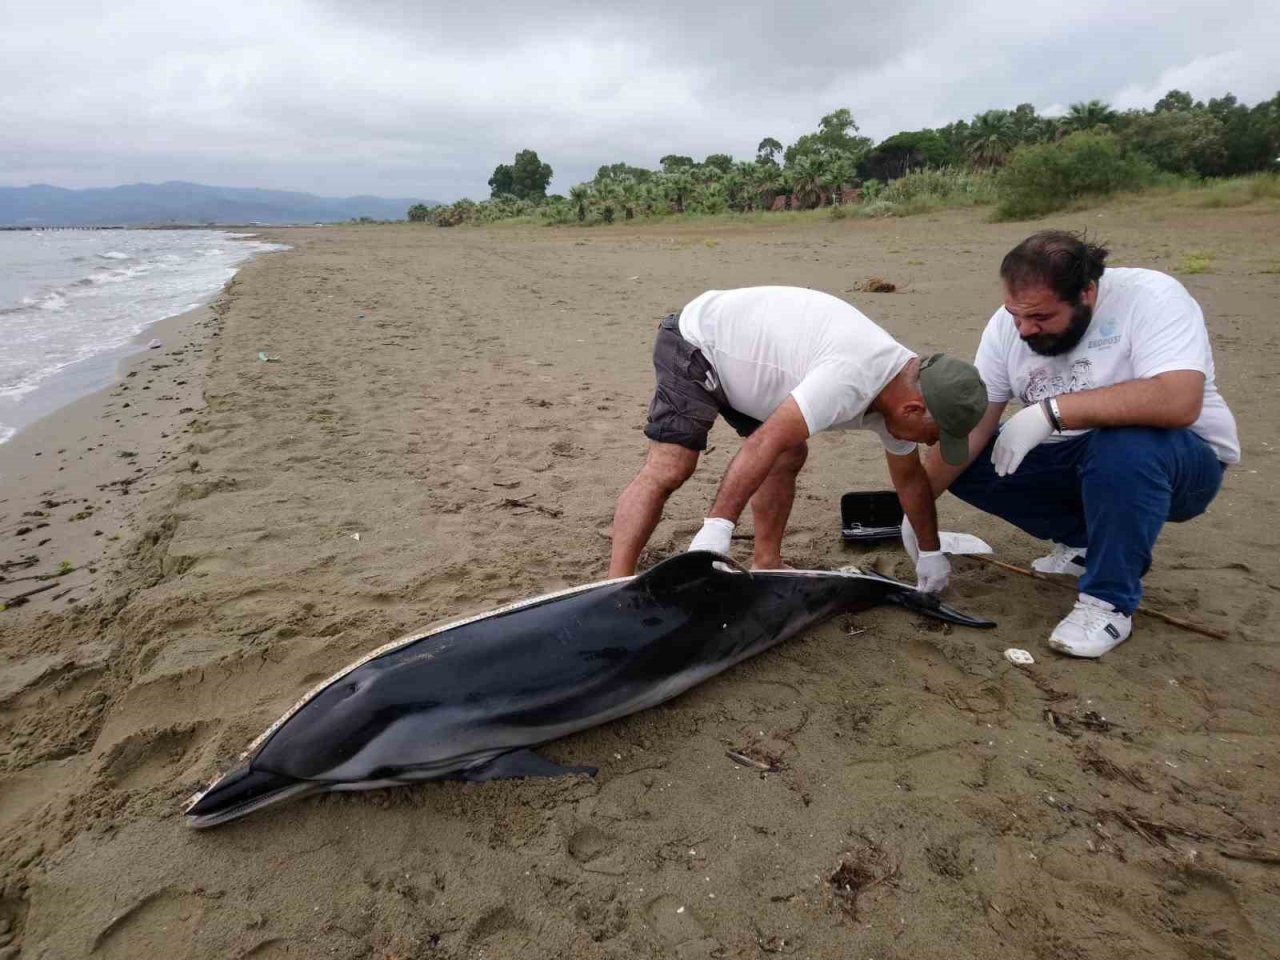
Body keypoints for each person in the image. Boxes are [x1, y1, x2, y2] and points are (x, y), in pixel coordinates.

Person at [907, 231, 1239, 658]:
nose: (1025, 330)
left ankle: (1108, 603)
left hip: (1179, 464)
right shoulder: (1010, 326)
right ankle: (1084, 544)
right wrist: (915, 510)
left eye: (1041, 318)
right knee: (966, 458)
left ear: (1087, 292)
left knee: (1125, 445)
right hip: (1074, 460)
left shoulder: (1151, 298)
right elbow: (973, 427)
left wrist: (1052, 412)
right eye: (1016, 315)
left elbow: (1179, 399)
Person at [608, 285, 987, 585]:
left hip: (758, 374)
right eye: (936, 435)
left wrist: (930, 551)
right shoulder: (850, 376)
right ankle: (615, 584)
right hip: (700, 342)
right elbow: (763, 442)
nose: (933, 444)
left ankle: (767, 562)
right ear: (914, 410)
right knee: (672, 465)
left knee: (789, 454)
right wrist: (716, 531)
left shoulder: (907, 390)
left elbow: (910, 480)